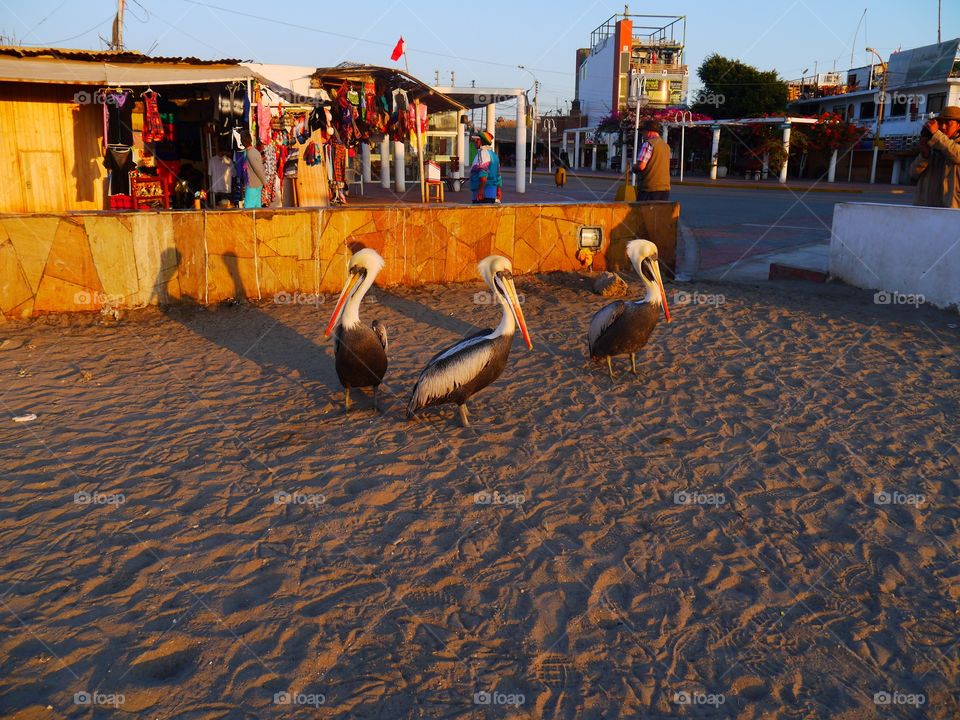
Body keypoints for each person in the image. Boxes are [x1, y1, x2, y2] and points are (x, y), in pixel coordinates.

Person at [909, 105, 960, 209]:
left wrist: (936, 135)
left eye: (948, 123)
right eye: (941, 123)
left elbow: (956, 154)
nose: (943, 127)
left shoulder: (939, 140)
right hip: (927, 209)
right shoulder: (933, 144)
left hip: (954, 210)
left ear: (958, 126)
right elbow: (912, 174)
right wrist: (924, 155)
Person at [632, 119, 671, 201]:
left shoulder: (648, 144)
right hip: (664, 188)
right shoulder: (666, 146)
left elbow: (641, 166)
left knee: (643, 213)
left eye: (643, 132)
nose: (642, 135)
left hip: (649, 188)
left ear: (648, 132)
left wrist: (634, 167)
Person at [469, 130, 502, 204]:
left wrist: (481, 190)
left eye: (477, 140)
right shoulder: (493, 155)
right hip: (491, 193)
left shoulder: (482, 153)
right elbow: (498, 175)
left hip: (482, 194)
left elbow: (483, 173)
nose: (475, 142)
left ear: (482, 141)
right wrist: (498, 190)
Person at [241, 130, 266, 209]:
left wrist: (264, 182)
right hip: (255, 184)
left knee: (248, 210)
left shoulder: (251, 153)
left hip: (253, 185)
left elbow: (258, 169)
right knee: (256, 209)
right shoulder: (250, 152)